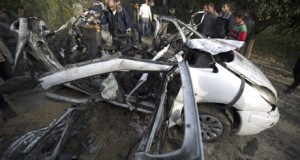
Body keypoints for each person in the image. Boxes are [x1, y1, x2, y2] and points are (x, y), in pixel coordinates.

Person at [0, 38, 16, 119]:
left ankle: (18, 98)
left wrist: (5, 54)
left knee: (11, 79)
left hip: (1, 58)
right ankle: (4, 108)